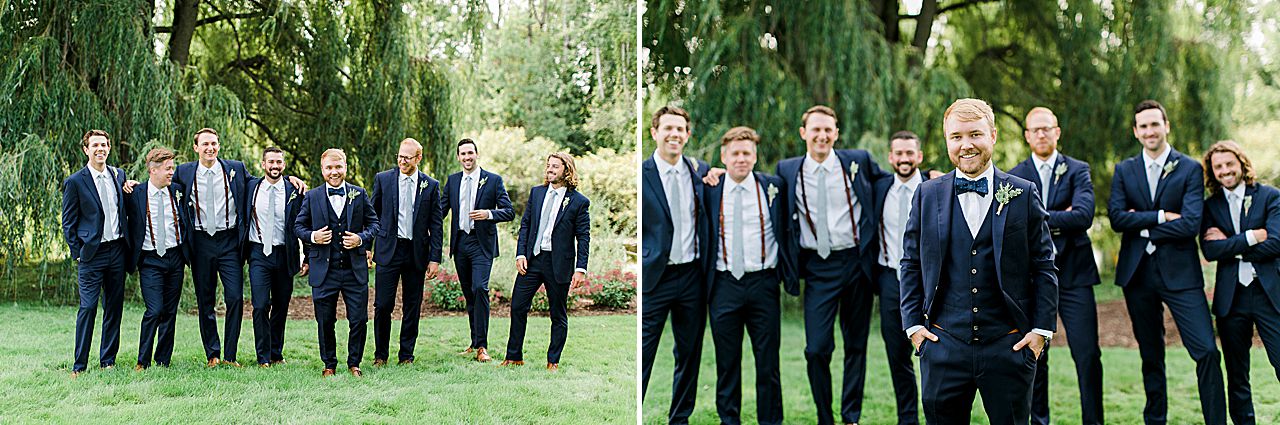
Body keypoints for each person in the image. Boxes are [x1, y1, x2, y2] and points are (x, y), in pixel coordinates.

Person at [900, 98, 1057, 424]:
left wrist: (1040, 332)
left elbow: (1043, 263)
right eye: (956, 136)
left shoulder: (1023, 192)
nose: (965, 145)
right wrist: (914, 328)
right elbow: (911, 262)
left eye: (975, 134)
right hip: (942, 345)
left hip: (1009, 346)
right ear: (947, 141)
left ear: (993, 136)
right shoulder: (926, 194)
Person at [1108, 100, 1226, 424]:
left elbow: (1190, 224)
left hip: (1181, 274)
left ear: (1166, 126)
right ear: (1136, 131)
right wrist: (1161, 216)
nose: (1149, 131)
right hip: (1137, 275)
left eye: (1154, 124)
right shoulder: (1124, 170)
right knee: (1151, 356)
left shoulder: (1189, 168)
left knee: (1207, 351)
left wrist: (1142, 225)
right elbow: (1117, 218)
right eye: (1143, 126)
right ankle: (1155, 420)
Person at [775, 105, 888, 425]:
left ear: (836, 133)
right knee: (817, 349)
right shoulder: (787, 170)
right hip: (817, 267)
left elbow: (890, 183)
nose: (822, 135)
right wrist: (713, 174)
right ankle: (826, 418)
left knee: (856, 345)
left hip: (855, 263)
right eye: (816, 129)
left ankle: (850, 417)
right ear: (804, 133)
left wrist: (927, 176)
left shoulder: (858, 162)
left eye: (828, 130)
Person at [174, 128, 304, 367]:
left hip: (229, 243)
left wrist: (291, 180)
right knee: (206, 300)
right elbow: (162, 187)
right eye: (205, 144)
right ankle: (213, 354)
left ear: (219, 145)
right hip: (201, 242)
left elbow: (264, 183)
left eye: (214, 143)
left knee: (235, 298)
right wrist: (132, 186)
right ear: (196, 148)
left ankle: (230, 356)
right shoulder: (183, 172)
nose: (210, 148)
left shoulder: (235, 169)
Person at [1007, 107, 1103, 425]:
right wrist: (1061, 216)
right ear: (1027, 136)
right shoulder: (1015, 175)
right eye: (1035, 130)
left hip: (1075, 275)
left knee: (1087, 355)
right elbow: (1014, 225)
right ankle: (1039, 421)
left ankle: (1093, 421)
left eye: (1047, 128)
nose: (1042, 134)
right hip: (1032, 279)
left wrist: (1040, 217)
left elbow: (1084, 216)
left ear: (1057, 132)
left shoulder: (1078, 169)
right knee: (1035, 355)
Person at [702, 127, 794, 425]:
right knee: (727, 364)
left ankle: (771, 421)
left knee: (768, 364)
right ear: (724, 156)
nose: (741, 159)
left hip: (764, 284)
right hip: (723, 284)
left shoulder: (774, 186)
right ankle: (729, 420)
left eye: (747, 153)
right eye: (735, 153)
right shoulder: (710, 187)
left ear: (755, 156)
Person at [1199, 140, 1280, 425]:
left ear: (1241, 164)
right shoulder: (1210, 206)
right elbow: (1210, 250)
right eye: (1218, 167)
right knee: (1237, 375)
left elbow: (1277, 243)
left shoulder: (1270, 196)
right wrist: (1251, 237)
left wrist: (1231, 244)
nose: (1225, 171)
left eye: (1229, 164)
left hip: (1270, 294)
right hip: (1231, 299)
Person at [640, 106, 710, 424]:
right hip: (656, 276)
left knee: (689, 353)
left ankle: (679, 419)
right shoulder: (641, 174)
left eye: (680, 129)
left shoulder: (699, 171)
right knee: (644, 353)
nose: (674, 134)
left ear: (687, 135)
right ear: (654, 132)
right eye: (668, 128)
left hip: (693, 276)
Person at [293, 148, 379, 377]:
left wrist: (361, 238)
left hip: (354, 270)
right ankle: (329, 364)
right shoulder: (312, 197)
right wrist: (313, 237)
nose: (334, 172)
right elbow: (298, 226)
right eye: (329, 168)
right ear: (322, 170)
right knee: (325, 320)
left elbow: (375, 224)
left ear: (345, 168)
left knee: (359, 319)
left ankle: (354, 364)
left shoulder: (359, 194)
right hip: (324, 270)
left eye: (338, 167)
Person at [503, 152, 591, 372]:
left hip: (558, 263)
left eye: (555, 167)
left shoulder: (579, 201)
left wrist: (580, 269)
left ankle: (553, 361)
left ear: (566, 171)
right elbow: (526, 225)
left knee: (558, 313)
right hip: (532, 260)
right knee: (517, 306)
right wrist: (520, 254)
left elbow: (584, 236)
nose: (550, 170)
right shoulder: (537, 193)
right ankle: (514, 357)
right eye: (548, 166)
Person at [870, 130, 929, 424]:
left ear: (919, 156)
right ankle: (908, 419)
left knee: (933, 354)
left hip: (930, 284)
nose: (904, 159)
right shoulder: (878, 187)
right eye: (899, 154)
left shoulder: (936, 186)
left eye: (910, 153)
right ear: (890, 157)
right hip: (890, 281)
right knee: (898, 356)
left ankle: (938, 414)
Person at [62, 129, 131, 377]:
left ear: (109, 148)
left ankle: (108, 361)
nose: (99, 149)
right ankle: (79, 365)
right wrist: (77, 252)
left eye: (103, 145)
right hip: (91, 254)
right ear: (86, 149)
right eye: (95, 145)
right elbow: (68, 222)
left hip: (117, 251)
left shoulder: (117, 174)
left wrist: (130, 186)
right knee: (88, 307)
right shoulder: (75, 181)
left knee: (113, 308)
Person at [370, 138, 443, 366]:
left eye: (407, 157)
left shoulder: (430, 185)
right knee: (383, 305)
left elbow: (436, 224)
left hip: (416, 252)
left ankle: (406, 355)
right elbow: (372, 215)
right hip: (388, 250)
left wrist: (434, 258)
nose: (402, 161)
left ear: (418, 158)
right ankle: (380, 355)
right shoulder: (383, 180)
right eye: (400, 156)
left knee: (412, 305)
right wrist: (366, 247)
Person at [440, 138, 514, 362]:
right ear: (458, 157)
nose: (467, 157)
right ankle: (474, 343)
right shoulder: (453, 181)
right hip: (460, 243)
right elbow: (440, 211)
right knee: (469, 294)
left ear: (477, 154)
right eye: (463, 154)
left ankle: (482, 347)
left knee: (480, 288)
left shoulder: (492, 180)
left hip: (481, 244)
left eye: (470, 153)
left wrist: (488, 214)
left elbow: (509, 211)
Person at [125, 148, 189, 370]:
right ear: (153, 170)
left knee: (170, 311)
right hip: (150, 259)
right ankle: (142, 361)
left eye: (172, 167)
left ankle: (163, 361)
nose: (172, 172)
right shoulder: (134, 194)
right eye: (168, 168)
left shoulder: (178, 191)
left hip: (175, 257)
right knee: (154, 310)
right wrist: (126, 183)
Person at [243, 147, 307, 367]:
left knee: (281, 305)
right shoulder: (251, 186)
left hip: (284, 253)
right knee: (260, 305)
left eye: (279, 162)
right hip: (258, 252)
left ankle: (276, 353)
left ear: (284, 165)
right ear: (263, 164)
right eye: (271, 162)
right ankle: (262, 357)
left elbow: (304, 225)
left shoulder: (294, 191)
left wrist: (306, 257)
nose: (275, 166)